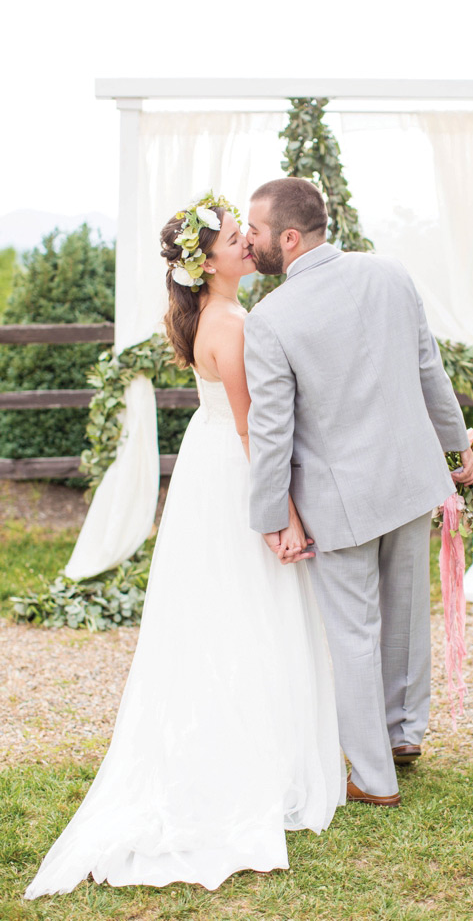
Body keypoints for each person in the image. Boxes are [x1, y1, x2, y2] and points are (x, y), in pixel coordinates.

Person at [25, 193, 344, 899]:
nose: (248, 245)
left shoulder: (209, 315)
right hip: (233, 473)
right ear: (211, 262)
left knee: (222, 611)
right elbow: (249, 427)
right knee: (251, 609)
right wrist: (285, 513)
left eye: (244, 234)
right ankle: (256, 756)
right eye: (236, 238)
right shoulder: (230, 321)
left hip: (205, 471)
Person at [244, 177, 473, 808]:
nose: (249, 240)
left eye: (257, 231)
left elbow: (272, 431)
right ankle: (404, 735)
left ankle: (374, 779)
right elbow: (430, 368)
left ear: (289, 238)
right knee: (405, 616)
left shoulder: (268, 320)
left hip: (339, 500)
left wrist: (270, 516)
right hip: (409, 477)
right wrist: (457, 452)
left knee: (354, 632)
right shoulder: (391, 273)